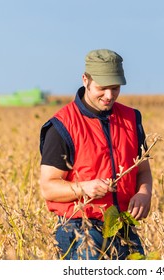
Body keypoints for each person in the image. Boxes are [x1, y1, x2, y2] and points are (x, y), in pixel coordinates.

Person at [39, 49, 153, 260]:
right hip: (80, 228)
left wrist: (144, 193)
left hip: (123, 225)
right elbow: (48, 188)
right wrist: (84, 187)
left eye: (115, 88)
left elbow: (143, 170)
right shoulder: (61, 126)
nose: (109, 96)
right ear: (85, 80)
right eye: (102, 88)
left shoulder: (132, 118)